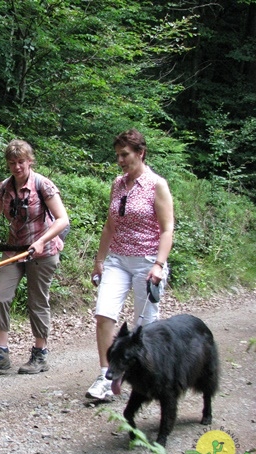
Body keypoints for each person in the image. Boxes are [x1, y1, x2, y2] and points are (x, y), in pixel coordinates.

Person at [86, 128, 174, 401]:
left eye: (125, 155)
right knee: (104, 314)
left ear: (140, 153)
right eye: (118, 156)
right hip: (117, 260)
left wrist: (159, 264)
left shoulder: (156, 184)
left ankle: (144, 377)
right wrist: (99, 260)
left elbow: (167, 229)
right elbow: (110, 225)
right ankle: (105, 376)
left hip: (147, 261)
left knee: (144, 326)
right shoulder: (117, 183)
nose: (121, 160)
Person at [0, 139, 69, 375]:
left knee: (37, 301)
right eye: (12, 163)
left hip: (43, 250)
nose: (17, 167)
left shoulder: (43, 185)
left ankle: (40, 353)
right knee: (0, 295)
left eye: (20, 162)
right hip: (15, 249)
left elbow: (62, 220)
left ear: (29, 161)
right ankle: (1, 352)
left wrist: (40, 241)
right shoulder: (5, 188)